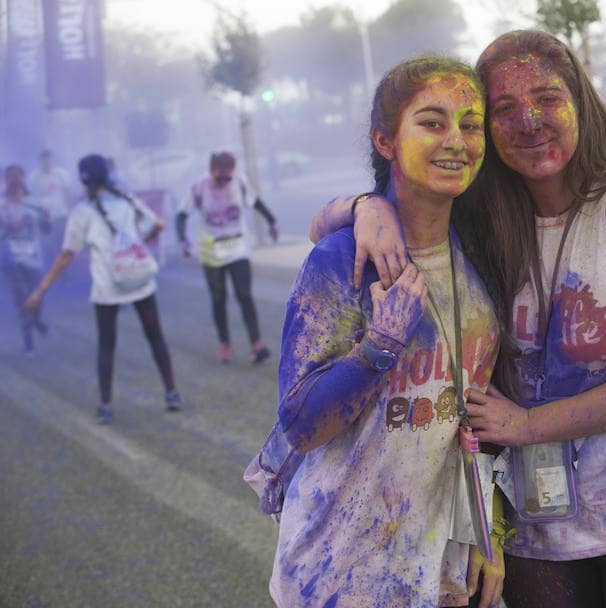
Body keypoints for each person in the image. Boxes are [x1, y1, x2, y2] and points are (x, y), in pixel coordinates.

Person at [310, 30, 606, 607]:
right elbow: (321, 225)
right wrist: (363, 206)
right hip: (536, 536)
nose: (529, 121)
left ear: (581, 102)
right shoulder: (483, 220)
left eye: (548, 98)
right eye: (503, 109)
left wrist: (526, 425)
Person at [258, 56, 505, 608]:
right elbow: (299, 425)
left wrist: (491, 536)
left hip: (435, 567)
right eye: (432, 122)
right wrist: (379, 349)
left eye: (470, 124)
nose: (456, 141)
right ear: (385, 140)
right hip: (337, 569)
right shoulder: (340, 260)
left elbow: (474, 422)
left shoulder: (481, 255)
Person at [25, 154, 181, 424]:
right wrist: (137, 245)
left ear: (83, 178)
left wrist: (41, 289)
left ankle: (106, 405)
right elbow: (157, 224)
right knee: (156, 338)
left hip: (107, 288)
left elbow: (66, 255)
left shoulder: (82, 212)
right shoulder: (127, 200)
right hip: (140, 281)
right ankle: (171, 393)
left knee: (106, 347)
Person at [176, 152, 277, 364]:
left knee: (244, 295)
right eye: (219, 178)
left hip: (237, 247)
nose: (224, 181)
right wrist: (182, 240)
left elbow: (255, 201)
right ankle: (224, 345)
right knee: (218, 299)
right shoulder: (199, 186)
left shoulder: (238, 181)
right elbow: (182, 214)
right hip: (212, 253)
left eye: (227, 177)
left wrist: (272, 221)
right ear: (211, 171)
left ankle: (256, 344)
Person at [1, 164, 51, 355]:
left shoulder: (34, 203)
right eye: (11, 177)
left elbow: (46, 230)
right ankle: (28, 342)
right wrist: (12, 225)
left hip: (33, 256)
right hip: (10, 258)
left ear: (23, 178)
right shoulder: (2, 205)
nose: (15, 181)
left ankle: (36, 319)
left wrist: (46, 221)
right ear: (6, 180)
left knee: (38, 295)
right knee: (22, 298)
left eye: (18, 177)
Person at [27, 149, 73, 261]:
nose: (47, 162)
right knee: (47, 245)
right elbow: (30, 197)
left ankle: (64, 270)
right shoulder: (34, 176)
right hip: (44, 217)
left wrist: (71, 211)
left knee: (62, 243)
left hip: (61, 214)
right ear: (40, 161)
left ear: (52, 160)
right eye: (44, 160)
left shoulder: (61, 174)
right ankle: (49, 268)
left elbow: (68, 193)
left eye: (49, 160)